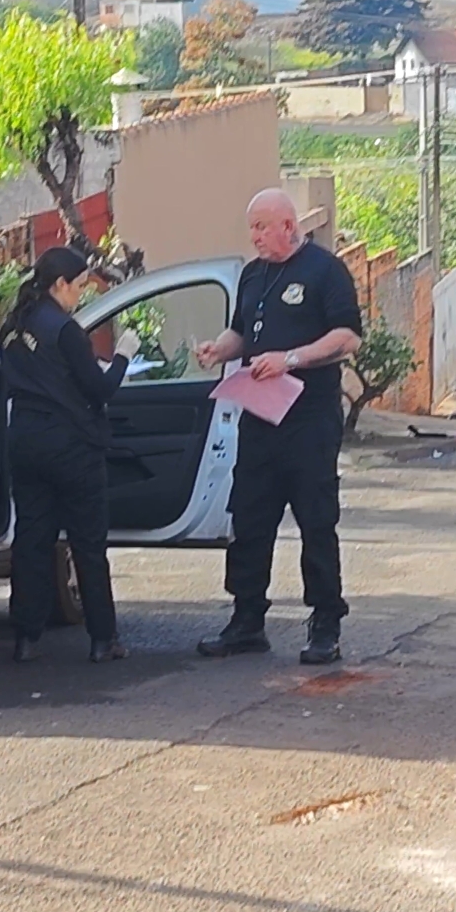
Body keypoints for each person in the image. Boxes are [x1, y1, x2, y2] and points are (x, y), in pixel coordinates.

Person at [195, 189, 363, 665]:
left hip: (309, 419)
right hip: (260, 417)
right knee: (249, 519)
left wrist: (290, 358)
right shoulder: (253, 274)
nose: (254, 237)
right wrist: (220, 349)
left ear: (288, 226)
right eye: (251, 228)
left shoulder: (325, 270)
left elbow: (347, 337)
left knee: (316, 521)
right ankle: (247, 621)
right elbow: (242, 332)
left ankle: (325, 624)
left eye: (261, 227)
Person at [0, 247, 141, 664]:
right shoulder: (65, 330)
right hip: (72, 446)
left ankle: (26, 636)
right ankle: (103, 638)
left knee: (32, 540)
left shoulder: (12, 326)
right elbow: (99, 389)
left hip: (25, 439)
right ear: (59, 284)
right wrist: (123, 355)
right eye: (79, 286)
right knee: (87, 543)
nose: (81, 294)